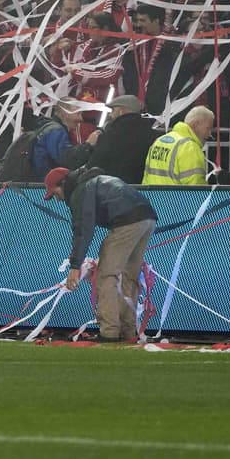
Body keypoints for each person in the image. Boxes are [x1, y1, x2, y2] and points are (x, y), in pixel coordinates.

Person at [44, 166, 157, 343]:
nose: (57, 199)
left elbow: (83, 231)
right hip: (148, 217)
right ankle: (128, 332)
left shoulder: (80, 192)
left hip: (126, 221)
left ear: (63, 184)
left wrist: (75, 267)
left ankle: (109, 332)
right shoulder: (94, 182)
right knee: (129, 277)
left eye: (55, 193)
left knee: (105, 276)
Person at [87, 95, 163, 185]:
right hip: (142, 189)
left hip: (113, 189)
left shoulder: (109, 136)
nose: (110, 115)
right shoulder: (153, 136)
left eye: (113, 110)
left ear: (121, 111)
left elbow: (95, 166)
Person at [143, 105, 214, 186]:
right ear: (195, 124)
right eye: (208, 128)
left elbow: (146, 178)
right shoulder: (190, 148)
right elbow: (196, 188)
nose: (209, 134)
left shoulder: (159, 141)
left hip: (153, 194)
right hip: (175, 194)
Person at [31, 100, 97, 179]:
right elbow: (68, 160)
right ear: (65, 113)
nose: (81, 119)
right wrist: (88, 144)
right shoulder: (56, 131)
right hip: (43, 184)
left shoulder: (47, 128)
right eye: (78, 113)